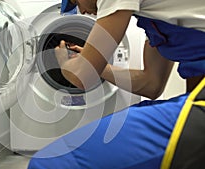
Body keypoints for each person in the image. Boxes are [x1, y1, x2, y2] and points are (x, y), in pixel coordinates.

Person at [27, 0, 205, 168]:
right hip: (198, 98)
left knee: (50, 162)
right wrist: (95, 65)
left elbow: (81, 76)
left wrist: (65, 64)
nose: (82, 11)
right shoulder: (157, 16)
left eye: (75, 1)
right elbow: (151, 84)